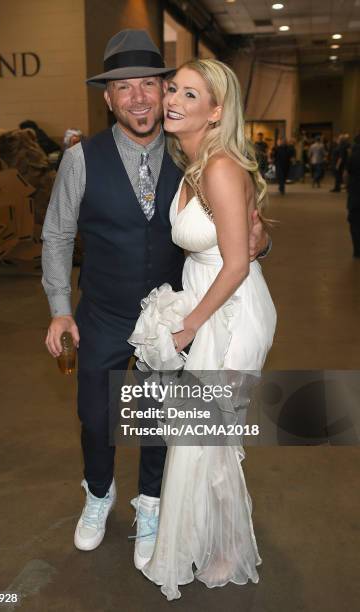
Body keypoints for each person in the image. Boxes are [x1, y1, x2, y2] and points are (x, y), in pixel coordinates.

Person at [41, 30, 270, 571]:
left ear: (165, 89)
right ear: (108, 98)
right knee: (96, 417)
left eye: (150, 84)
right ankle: (99, 494)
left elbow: (240, 228)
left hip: (171, 316)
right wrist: (59, 307)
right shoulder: (81, 159)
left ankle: (150, 505)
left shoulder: (191, 150)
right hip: (100, 313)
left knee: (157, 422)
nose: (140, 97)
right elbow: (55, 235)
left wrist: (261, 241)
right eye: (126, 88)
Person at [130, 59, 276, 600]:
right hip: (208, 301)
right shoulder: (193, 165)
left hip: (231, 311)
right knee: (201, 436)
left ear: (215, 112)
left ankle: (223, 550)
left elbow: (237, 263)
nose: (172, 100)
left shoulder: (217, 168)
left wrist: (187, 326)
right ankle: (216, 544)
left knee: (204, 436)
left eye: (190, 95)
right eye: (173, 89)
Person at [346, 134, 360, 258]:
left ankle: (357, 249)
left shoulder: (353, 156)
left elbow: (348, 172)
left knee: (354, 222)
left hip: (355, 193)